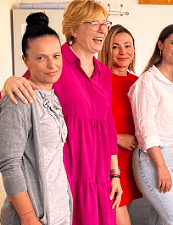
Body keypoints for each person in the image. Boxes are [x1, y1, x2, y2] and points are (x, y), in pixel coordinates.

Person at [1, 0, 123, 224]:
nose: (103, 30)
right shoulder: (56, 61)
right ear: (74, 29)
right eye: (95, 24)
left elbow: (108, 125)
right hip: (67, 172)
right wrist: (9, 81)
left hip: (98, 173)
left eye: (105, 23)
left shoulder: (104, 72)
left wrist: (114, 173)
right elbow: (20, 94)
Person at [0, 12, 72, 224]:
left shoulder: (54, 96)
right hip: (33, 217)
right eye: (41, 57)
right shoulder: (19, 100)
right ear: (26, 61)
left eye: (56, 55)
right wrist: (28, 217)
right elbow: (9, 165)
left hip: (59, 210)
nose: (52, 65)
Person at [128, 24, 173, 225]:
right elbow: (145, 129)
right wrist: (161, 166)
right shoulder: (148, 82)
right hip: (156, 158)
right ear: (160, 45)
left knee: (163, 220)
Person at [98, 24, 142, 225]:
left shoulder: (139, 82)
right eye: (116, 46)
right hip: (105, 163)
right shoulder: (98, 81)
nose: (123, 52)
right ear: (107, 49)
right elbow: (88, 126)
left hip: (130, 163)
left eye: (127, 45)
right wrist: (117, 138)